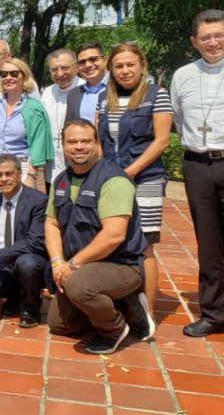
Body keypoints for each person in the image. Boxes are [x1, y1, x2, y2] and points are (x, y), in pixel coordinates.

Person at [46, 119, 153, 354]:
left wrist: (72, 265)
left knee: (79, 287)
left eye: (86, 141)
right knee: (59, 325)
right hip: (82, 267)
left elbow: (113, 236)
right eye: (72, 142)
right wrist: (57, 262)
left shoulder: (113, 180)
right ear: (63, 145)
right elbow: (52, 223)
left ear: (97, 144)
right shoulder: (61, 180)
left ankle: (113, 329)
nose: (79, 147)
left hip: (120, 265)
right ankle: (120, 305)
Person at [98, 42, 172, 315]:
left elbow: (161, 141)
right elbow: (99, 141)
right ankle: (121, 304)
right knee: (114, 238)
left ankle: (148, 312)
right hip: (112, 180)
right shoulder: (104, 99)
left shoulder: (157, 95)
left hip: (144, 179)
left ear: (142, 66)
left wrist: (130, 171)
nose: (125, 70)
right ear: (111, 70)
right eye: (119, 66)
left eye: (131, 64)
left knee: (144, 244)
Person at [170, 9, 224, 337]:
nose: (213, 42)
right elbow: (177, 118)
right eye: (206, 37)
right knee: (209, 242)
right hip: (197, 165)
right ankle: (214, 313)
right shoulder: (183, 75)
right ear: (194, 41)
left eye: (219, 35)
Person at [0, 155, 49, 327]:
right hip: (2, 264)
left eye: (9, 174)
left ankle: (30, 307)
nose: (4, 179)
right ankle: (14, 296)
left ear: (19, 174)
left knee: (26, 264)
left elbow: (34, 242)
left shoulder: (38, 201)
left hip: (28, 258)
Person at [0, 58, 54, 193]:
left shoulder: (33, 109)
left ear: (23, 76)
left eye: (14, 74)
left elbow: (37, 146)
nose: (8, 77)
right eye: (3, 74)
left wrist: (30, 176)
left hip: (20, 168)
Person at [40, 49, 83, 192]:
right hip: (52, 164)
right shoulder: (47, 92)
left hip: (79, 161)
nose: (59, 73)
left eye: (65, 68)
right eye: (54, 69)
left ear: (76, 67)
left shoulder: (85, 88)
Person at [65, 42, 109, 124]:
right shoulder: (73, 94)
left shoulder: (120, 87)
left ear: (105, 60)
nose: (88, 65)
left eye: (93, 59)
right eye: (82, 62)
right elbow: (69, 128)